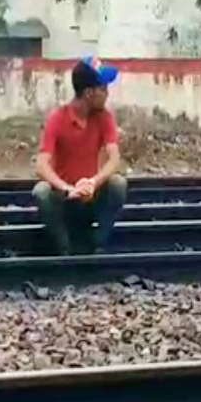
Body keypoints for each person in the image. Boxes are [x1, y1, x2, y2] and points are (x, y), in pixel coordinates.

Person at [33, 57, 128, 255]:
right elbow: (42, 165)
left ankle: (96, 244)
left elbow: (114, 158)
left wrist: (93, 182)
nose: (107, 94)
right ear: (88, 93)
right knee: (41, 191)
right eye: (103, 89)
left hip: (90, 197)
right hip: (65, 198)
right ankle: (64, 248)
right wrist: (67, 189)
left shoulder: (104, 117)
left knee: (118, 184)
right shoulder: (58, 119)